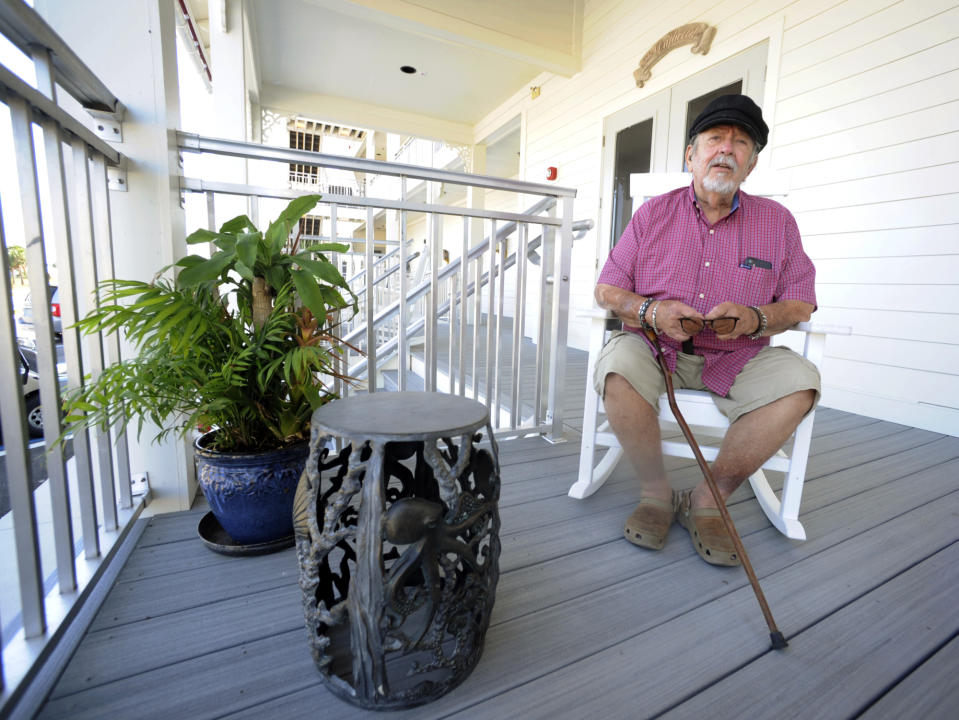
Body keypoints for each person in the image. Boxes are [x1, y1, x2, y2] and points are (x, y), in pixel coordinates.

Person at [593, 94, 819, 566]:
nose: (725, 150)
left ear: (751, 165)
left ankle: (710, 498)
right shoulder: (652, 215)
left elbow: (801, 301)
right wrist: (652, 311)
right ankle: (655, 493)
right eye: (714, 138)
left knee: (800, 383)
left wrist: (757, 317)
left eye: (740, 143)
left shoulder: (778, 223)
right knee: (617, 366)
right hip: (655, 346)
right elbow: (608, 290)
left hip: (740, 357)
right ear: (691, 155)